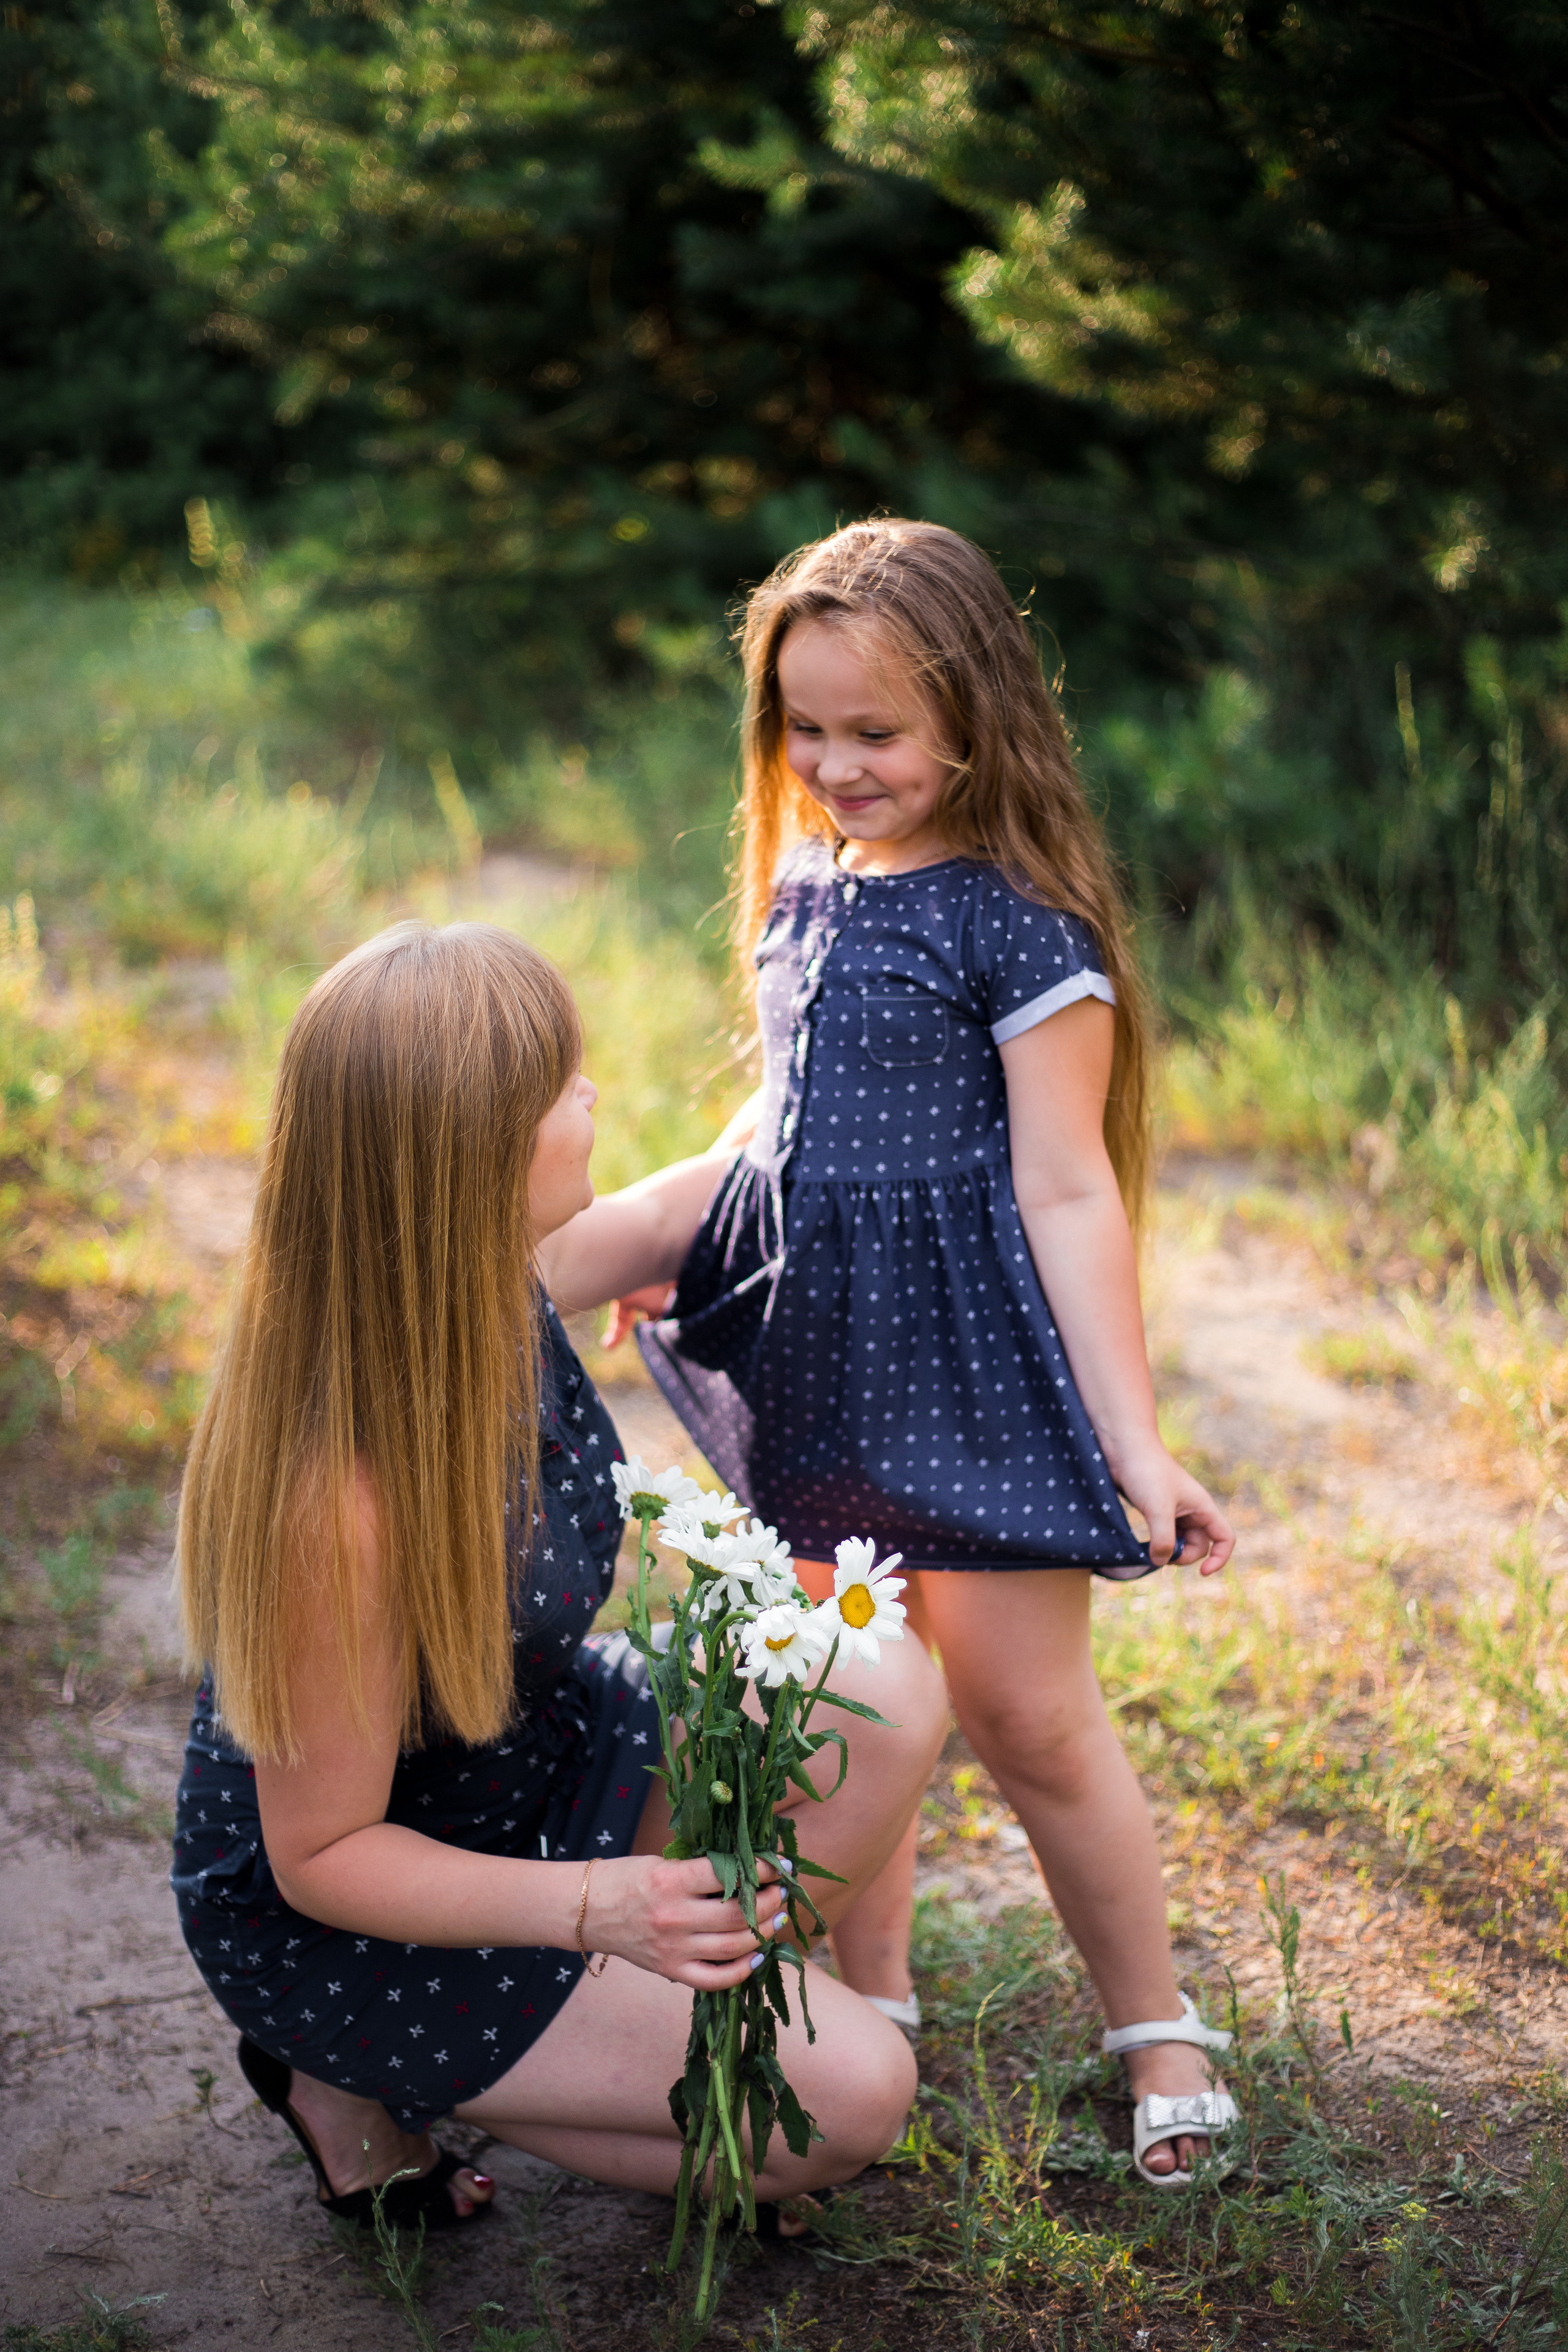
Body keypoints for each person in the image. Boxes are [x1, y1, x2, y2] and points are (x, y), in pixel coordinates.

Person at [608, 521, 1239, 2187]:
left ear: (975, 714)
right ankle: (867, 1994)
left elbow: (1067, 1181)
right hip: (821, 1359)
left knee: (1033, 1721)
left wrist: (1136, 1439)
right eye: (804, 730)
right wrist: (699, 1244)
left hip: (980, 1374)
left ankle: (1157, 2025)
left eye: (872, 732)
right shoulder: (810, 877)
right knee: (849, 1690)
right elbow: (788, 1105)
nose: (832, 764)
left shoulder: (1022, 929)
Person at [171, 921, 946, 2234]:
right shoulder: (338, 1497)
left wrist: (841, 1062)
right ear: (476, 1156)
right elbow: (322, 1854)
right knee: (853, 2100)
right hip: (362, 1910)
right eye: (562, 1086)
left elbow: (690, 1199)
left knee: (874, 1682)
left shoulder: (485, 1286)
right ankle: (342, 2069)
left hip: (529, 1760)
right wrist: (601, 1907)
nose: (591, 1097)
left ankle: (648, 2042)